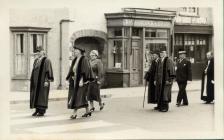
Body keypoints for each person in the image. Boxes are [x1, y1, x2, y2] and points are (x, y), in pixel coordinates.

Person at [66, 45, 94, 119]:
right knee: (82, 97)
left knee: (77, 96)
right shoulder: (75, 59)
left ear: (80, 51)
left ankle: (74, 113)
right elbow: (72, 69)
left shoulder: (84, 59)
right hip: (75, 81)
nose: (74, 51)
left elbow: (86, 70)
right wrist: (71, 76)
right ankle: (88, 111)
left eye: (76, 50)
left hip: (82, 82)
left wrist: (82, 80)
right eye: (74, 50)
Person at [30, 46, 54, 116]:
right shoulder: (36, 60)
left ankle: (42, 111)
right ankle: (37, 109)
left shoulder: (46, 60)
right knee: (36, 95)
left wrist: (46, 80)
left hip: (43, 81)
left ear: (43, 52)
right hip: (36, 82)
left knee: (42, 96)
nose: (38, 53)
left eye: (39, 51)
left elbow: (48, 71)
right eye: (37, 51)